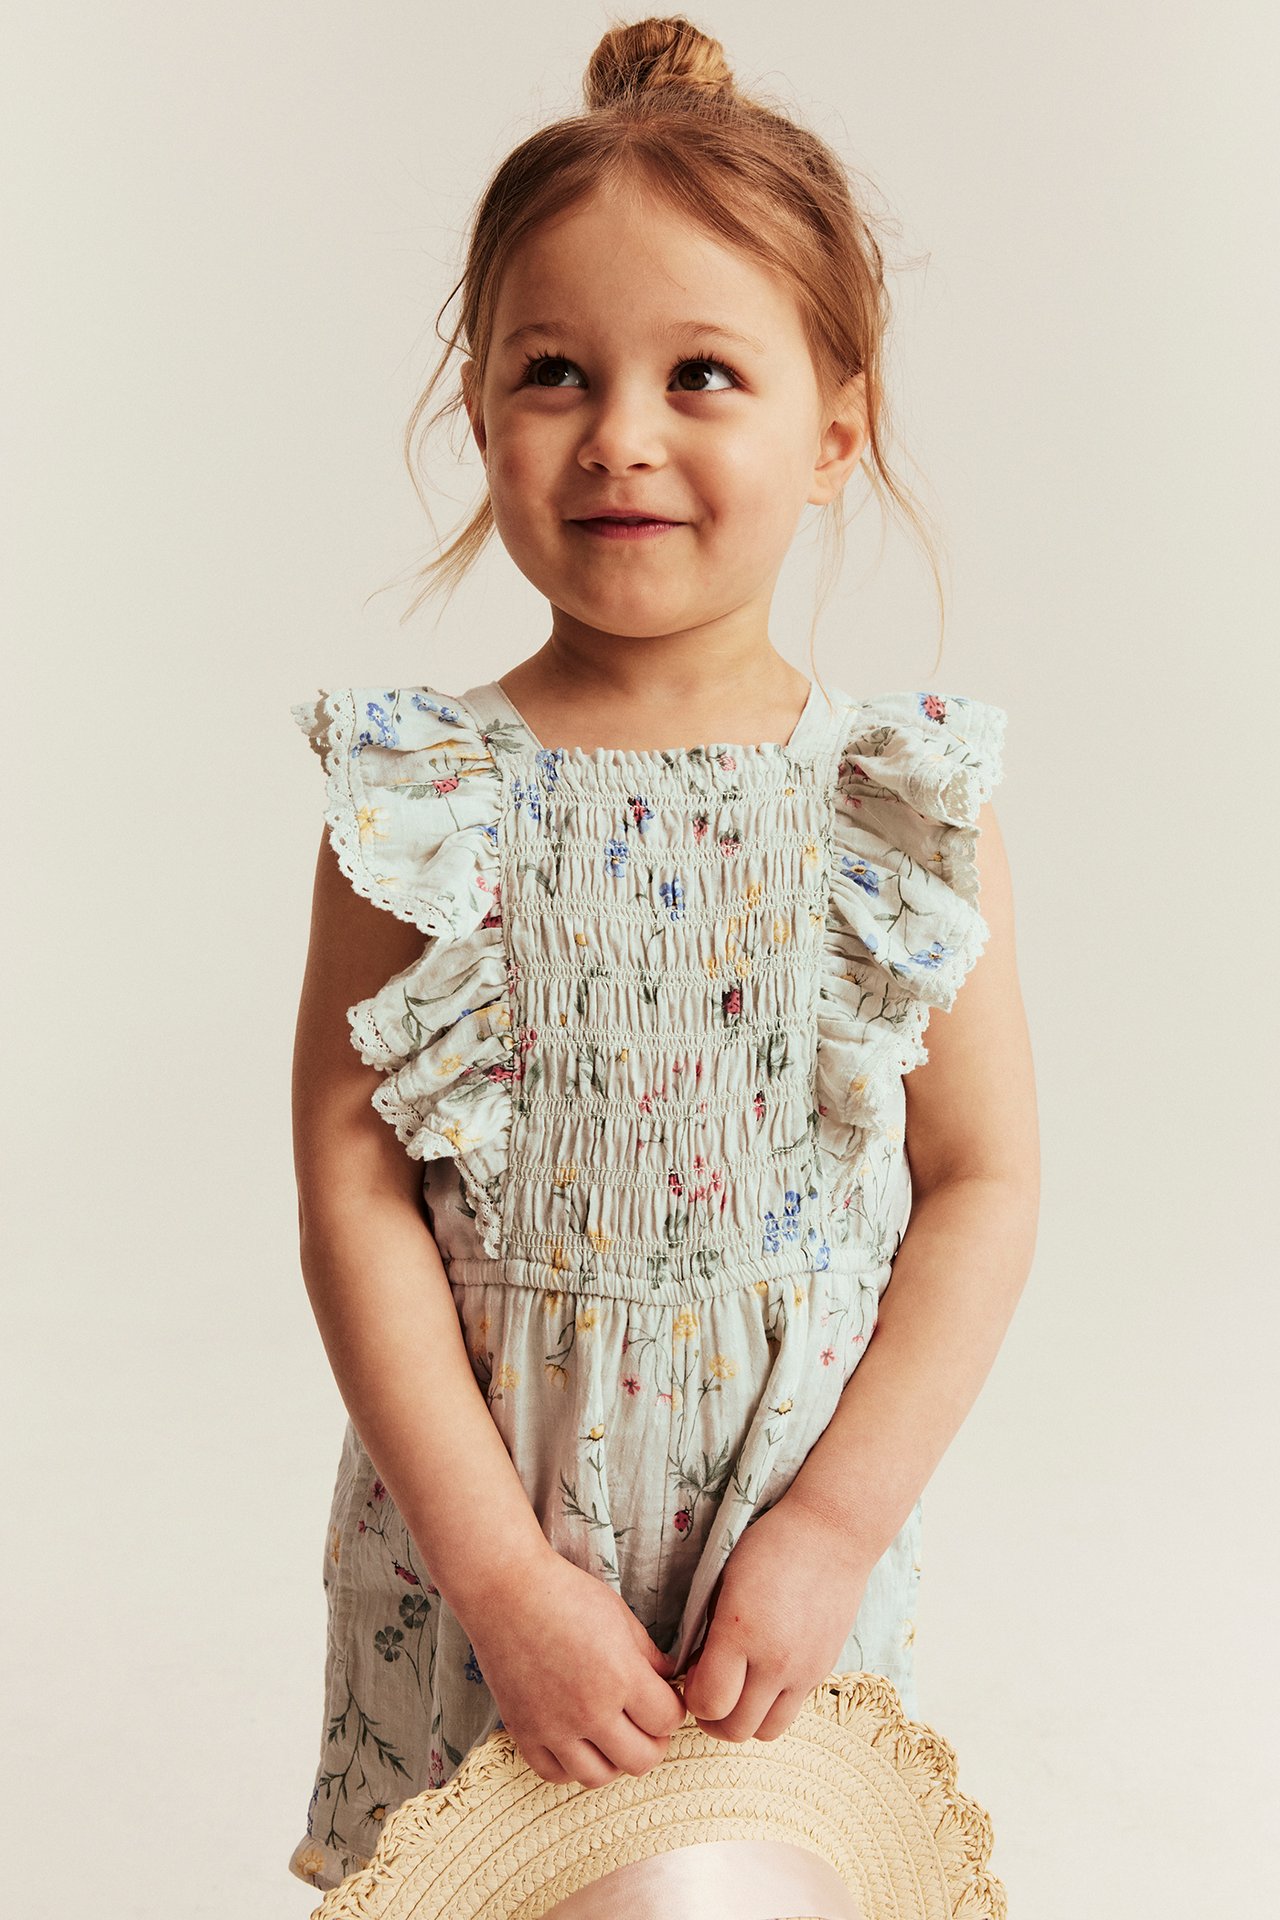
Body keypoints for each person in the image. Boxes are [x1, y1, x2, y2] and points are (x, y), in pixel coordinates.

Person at [286, 13, 1039, 1896]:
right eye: (555, 372)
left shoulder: (891, 797)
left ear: (833, 426)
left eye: (704, 373)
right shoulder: (426, 795)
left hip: (768, 1584)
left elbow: (984, 1181)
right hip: (487, 1564)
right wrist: (496, 1573)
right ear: (480, 411)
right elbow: (353, 1189)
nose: (621, 434)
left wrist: (834, 1530)